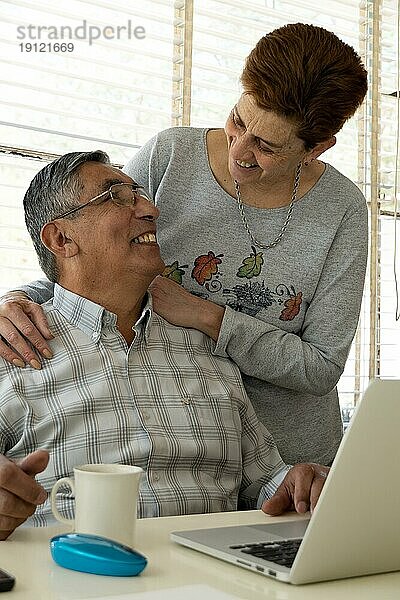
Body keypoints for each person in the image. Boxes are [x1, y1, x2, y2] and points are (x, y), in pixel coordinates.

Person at [0, 23, 368, 466]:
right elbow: (89, 248)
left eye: (266, 146)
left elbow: (321, 368)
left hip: (288, 464)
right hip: (170, 438)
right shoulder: (171, 156)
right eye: (238, 121)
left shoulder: (342, 209)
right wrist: (18, 300)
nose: (240, 151)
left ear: (317, 149)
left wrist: (207, 316)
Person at [0, 151, 329, 541]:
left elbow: (265, 483)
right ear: (61, 238)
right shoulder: (11, 352)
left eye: (139, 193)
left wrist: (301, 485)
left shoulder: (204, 345)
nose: (151, 208)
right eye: (117, 196)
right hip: (75, 580)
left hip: (216, 579)